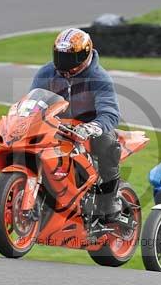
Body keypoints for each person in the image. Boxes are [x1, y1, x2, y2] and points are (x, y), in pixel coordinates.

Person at [30, 28, 122, 218]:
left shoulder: (99, 78)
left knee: (107, 142)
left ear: (86, 53)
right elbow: (32, 102)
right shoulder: (47, 73)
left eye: (71, 58)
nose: (65, 65)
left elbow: (110, 113)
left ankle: (110, 198)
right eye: (61, 57)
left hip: (89, 128)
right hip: (56, 126)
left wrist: (91, 127)